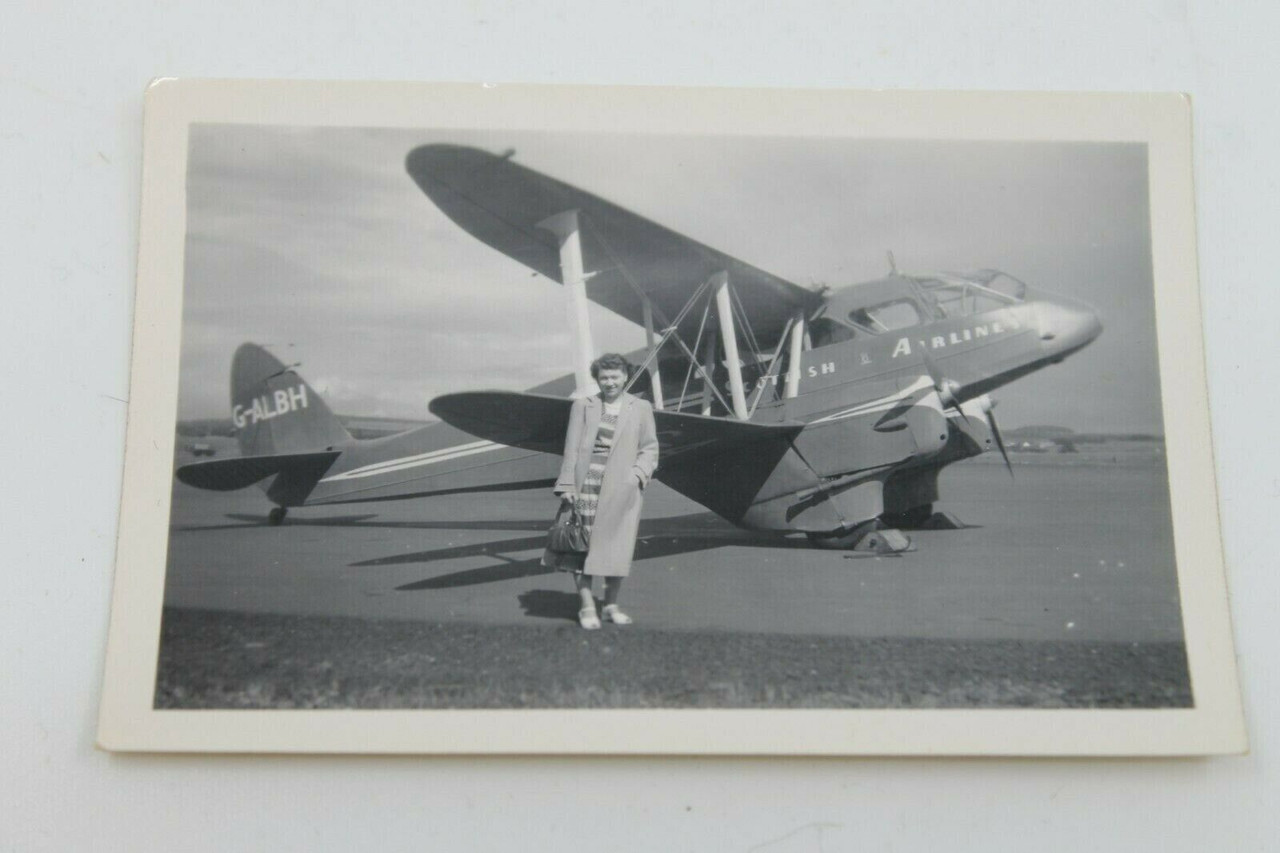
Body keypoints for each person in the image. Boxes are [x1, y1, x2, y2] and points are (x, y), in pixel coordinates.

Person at [553, 353, 659, 630]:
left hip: (623, 488)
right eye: (604, 377)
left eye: (615, 376)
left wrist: (635, 477)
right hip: (586, 485)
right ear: (597, 379)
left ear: (626, 376)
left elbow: (649, 448)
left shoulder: (641, 407)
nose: (610, 382)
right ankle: (587, 606)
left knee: (618, 548)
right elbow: (571, 449)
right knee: (580, 547)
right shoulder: (583, 406)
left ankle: (611, 605)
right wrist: (567, 485)